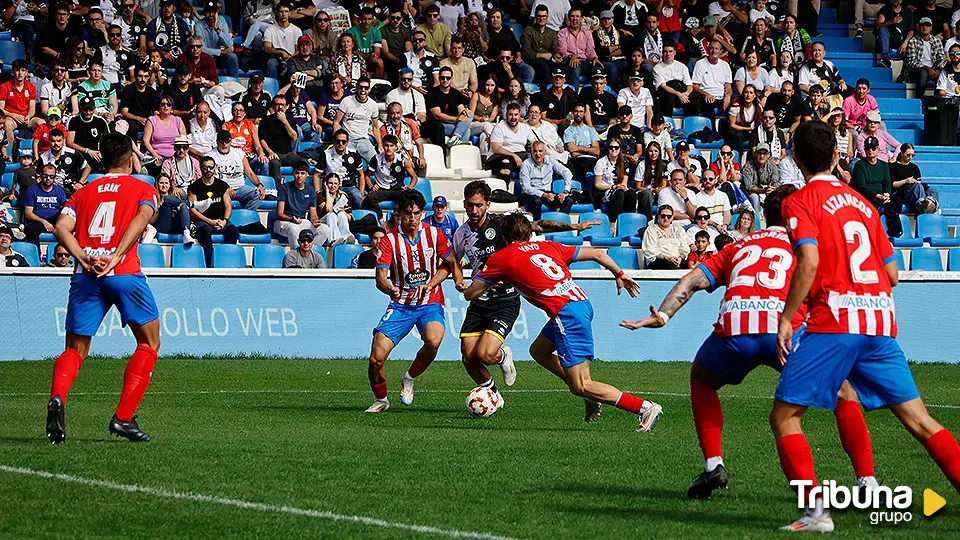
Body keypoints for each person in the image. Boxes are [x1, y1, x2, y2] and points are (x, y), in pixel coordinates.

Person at [622, 184, 882, 502]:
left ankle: (714, 463)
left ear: (764, 214)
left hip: (734, 330)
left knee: (702, 380)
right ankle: (866, 481)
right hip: (786, 332)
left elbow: (691, 279)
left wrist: (663, 316)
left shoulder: (739, 246)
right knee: (844, 392)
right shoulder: (806, 246)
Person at [768, 118, 960, 533]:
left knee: (785, 416)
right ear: (838, 155)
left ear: (795, 158)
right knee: (921, 421)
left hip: (835, 322)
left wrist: (786, 318)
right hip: (879, 322)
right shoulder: (865, 204)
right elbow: (892, 275)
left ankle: (816, 514)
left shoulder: (799, 201)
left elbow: (810, 260)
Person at [464, 212, 663, 430]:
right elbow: (597, 254)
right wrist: (619, 273)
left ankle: (644, 407)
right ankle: (590, 397)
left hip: (566, 314)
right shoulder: (550, 246)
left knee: (581, 384)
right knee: (538, 351)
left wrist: (489, 281)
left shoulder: (503, 257)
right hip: (581, 303)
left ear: (503, 236)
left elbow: (471, 294)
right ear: (530, 233)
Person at [46, 133, 162, 444]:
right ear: (130, 157)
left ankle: (58, 397)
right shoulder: (143, 188)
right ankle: (123, 418)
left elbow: (60, 228)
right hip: (124, 273)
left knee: (74, 349)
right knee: (149, 343)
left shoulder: (83, 193)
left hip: (86, 276)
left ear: (101, 157)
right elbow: (143, 217)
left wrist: (84, 256)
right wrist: (116, 255)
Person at [365, 189, 453, 413]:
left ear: (422, 213)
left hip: (429, 301)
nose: (412, 218)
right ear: (399, 215)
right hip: (400, 304)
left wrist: (432, 283)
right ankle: (382, 400)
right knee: (376, 359)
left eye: (416, 213)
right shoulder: (389, 241)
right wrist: (389, 289)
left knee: (433, 341)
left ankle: (409, 377)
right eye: (407, 214)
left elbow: (449, 264)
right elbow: (380, 277)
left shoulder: (435, 235)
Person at [187, 155, 240, 267]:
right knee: (205, 230)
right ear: (201, 168)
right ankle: (209, 264)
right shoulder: (194, 187)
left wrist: (225, 221)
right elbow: (193, 210)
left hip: (220, 221)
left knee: (233, 230)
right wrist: (209, 221)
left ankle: (226, 261)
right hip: (203, 222)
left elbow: (228, 206)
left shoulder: (222, 186)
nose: (208, 170)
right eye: (205, 167)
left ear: (215, 168)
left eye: (211, 167)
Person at [852, 136, 902, 237]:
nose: (870, 151)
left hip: (881, 194)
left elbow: (887, 183)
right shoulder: (859, 165)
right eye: (867, 148)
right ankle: (873, 229)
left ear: (878, 149)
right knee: (872, 201)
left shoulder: (884, 165)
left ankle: (894, 229)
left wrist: (887, 194)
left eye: (873, 148)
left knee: (897, 201)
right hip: (868, 195)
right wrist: (877, 195)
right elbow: (861, 186)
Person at [207, 129, 264, 211]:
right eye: (221, 142)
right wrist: (225, 188)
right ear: (217, 142)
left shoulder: (239, 153)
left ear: (231, 141)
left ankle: (246, 218)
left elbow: (249, 172)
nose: (224, 144)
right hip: (220, 190)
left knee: (257, 194)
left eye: (227, 142)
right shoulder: (210, 156)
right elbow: (209, 178)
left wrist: (259, 184)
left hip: (239, 188)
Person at [275, 162, 329, 248]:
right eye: (297, 173)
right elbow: (279, 213)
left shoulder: (310, 190)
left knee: (324, 229)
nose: (299, 176)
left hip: (301, 221)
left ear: (307, 175)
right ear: (293, 173)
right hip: (284, 222)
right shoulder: (284, 188)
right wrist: (291, 219)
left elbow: (313, 214)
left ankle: (308, 252)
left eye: (302, 173)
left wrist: (315, 221)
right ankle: (296, 256)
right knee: (293, 228)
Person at [363, 135, 419, 218]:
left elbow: (414, 177)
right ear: (383, 146)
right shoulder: (376, 159)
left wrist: (409, 187)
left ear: (396, 147)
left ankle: (401, 216)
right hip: (382, 189)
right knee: (369, 197)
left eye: (391, 146)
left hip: (398, 189)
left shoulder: (402, 159)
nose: (388, 148)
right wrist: (371, 186)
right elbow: (366, 175)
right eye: (386, 145)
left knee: (410, 197)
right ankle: (379, 216)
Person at [519, 140, 574, 220]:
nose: (538, 154)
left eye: (540, 151)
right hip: (532, 194)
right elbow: (526, 187)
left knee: (568, 200)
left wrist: (565, 191)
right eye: (535, 151)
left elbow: (567, 172)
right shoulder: (526, 164)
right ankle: (537, 226)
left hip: (548, 193)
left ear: (544, 152)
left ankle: (559, 223)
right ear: (531, 152)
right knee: (536, 202)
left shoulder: (550, 160)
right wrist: (543, 194)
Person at [0, 59, 42, 161]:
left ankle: (39, 155)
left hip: (26, 118)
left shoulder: (31, 87)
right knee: (8, 124)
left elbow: (32, 108)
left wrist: (29, 116)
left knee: (41, 122)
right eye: (17, 70)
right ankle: (11, 155)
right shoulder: (4, 87)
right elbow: (1, 109)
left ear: (26, 72)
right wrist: (13, 115)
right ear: (12, 72)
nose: (20, 73)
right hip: (11, 118)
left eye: (23, 70)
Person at [260, 95, 307, 183]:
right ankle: (279, 190)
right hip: (274, 154)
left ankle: (298, 186)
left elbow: (294, 137)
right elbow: (262, 139)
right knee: (274, 164)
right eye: (277, 104)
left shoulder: (290, 119)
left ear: (286, 106)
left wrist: (284, 121)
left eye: (282, 105)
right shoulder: (266, 120)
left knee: (303, 161)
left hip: (288, 154)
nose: (280, 107)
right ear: (273, 106)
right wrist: (270, 152)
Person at [334, 77, 381, 162]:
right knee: (345, 163)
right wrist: (337, 141)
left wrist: (380, 145)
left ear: (369, 89)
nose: (363, 90)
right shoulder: (347, 101)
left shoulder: (373, 105)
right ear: (356, 87)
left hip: (363, 139)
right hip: (348, 139)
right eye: (360, 87)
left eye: (366, 88)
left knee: (376, 163)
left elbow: (375, 128)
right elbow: (336, 122)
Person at [154, 171, 208, 244]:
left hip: (177, 226)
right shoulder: (154, 197)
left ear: (170, 185)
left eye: (166, 183)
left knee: (183, 205)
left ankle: (186, 233)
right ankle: (193, 204)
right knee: (166, 199)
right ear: (157, 184)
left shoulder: (176, 197)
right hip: (163, 226)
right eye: (161, 183)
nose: (164, 185)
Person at [22, 164, 68, 250]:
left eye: (51, 176)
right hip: (39, 220)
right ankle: (37, 256)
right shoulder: (32, 190)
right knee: (30, 229)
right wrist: (44, 222)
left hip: (55, 219)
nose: (48, 179)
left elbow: (65, 211)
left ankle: (64, 254)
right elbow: (28, 213)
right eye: (45, 176)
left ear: (55, 177)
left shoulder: (60, 191)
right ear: (41, 175)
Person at [318, 129, 366, 211]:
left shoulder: (354, 153)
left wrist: (361, 192)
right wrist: (317, 192)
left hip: (349, 186)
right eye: (338, 141)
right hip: (332, 187)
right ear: (334, 141)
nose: (340, 144)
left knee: (357, 196)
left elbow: (361, 174)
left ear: (347, 142)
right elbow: (316, 175)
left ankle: (356, 219)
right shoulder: (326, 154)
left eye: (343, 141)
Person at [425, 66, 472, 147]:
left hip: (453, 123)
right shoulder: (432, 93)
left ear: (452, 78)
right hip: (439, 124)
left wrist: (465, 112)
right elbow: (437, 115)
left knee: (470, 115)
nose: (445, 80)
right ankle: (458, 146)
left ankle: (455, 138)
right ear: (439, 78)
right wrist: (456, 119)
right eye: (442, 78)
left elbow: (461, 109)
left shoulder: (456, 93)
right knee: (466, 131)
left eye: (448, 78)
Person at [488, 103, 535, 180]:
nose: (513, 117)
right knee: (505, 167)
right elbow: (496, 148)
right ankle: (503, 190)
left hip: (522, 155)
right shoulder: (500, 127)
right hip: (502, 156)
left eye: (516, 114)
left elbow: (534, 143)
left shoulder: (525, 127)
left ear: (519, 115)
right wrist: (514, 155)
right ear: (506, 115)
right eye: (511, 114)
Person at [890, 143, 939, 214]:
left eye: (912, 155)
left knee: (933, 190)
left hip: (916, 190)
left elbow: (918, 180)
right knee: (918, 187)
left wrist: (916, 181)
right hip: (903, 192)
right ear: (902, 153)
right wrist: (906, 181)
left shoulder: (914, 167)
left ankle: (929, 204)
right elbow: (892, 184)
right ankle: (925, 205)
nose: (910, 157)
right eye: (908, 155)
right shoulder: (893, 167)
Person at [194, 0, 238, 78]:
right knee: (204, 58)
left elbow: (229, 45)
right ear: (204, 13)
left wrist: (217, 29)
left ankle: (234, 83)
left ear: (217, 13)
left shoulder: (222, 22)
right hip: (205, 57)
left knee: (232, 57)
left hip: (219, 58)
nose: (211, 15)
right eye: (208, 12)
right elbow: (201, 49)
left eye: (213, 12)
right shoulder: (198, 25)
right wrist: (221, 52)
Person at [557, 8, 599, 89]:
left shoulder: (587, 32)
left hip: (584, 62)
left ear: (581, 19)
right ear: (569, 18)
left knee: (599, 70)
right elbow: (562, 50)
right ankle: (573, 98)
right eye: (572, 16)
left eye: (577, 16)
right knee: (576, 69)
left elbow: (590, 50)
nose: (575, 19)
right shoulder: (562, 32)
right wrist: (571, 56)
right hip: (569, 62)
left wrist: (594, 58)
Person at [39, 129, 90, 196]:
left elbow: (87, 168)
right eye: (53, 141)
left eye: (59, 141)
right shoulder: (43, 158)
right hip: (55, 192)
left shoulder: (73, 153)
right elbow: (39, 178)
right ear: (48, 140)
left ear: (63, 140)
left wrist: (80, 182)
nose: (56, 144)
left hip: (75, 189)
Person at [904, 18, 946, 99]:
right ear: (919, 28)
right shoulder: (913, 41)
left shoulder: (936, 41)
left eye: (927, 25)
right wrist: (928, 69)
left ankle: (939, 100)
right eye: (922, 25)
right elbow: (911, 61)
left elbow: (942, 59)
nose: (925, 27)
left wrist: (938, 69)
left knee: (944, 73)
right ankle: (919, 99)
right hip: (917, 70)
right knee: (923, 73)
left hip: (933, 70)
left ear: (931, 28)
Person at [143, 95, 187, 171]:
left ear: (172, 109)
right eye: (163, 104)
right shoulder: (152, 120)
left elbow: (184, 140)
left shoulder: (178, 121)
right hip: (157, 154)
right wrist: (155, 155)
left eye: (168, 104)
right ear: (159, 107)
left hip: (175, 155)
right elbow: (145, 141)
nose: (165, 106)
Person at [521, 5, 560, 90]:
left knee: (562, 67)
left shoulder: (552, 33)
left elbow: (554, 51)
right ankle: (545, 93)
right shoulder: (528, 31)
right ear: (535, 16)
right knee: (544, 67)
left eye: (544, 16)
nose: (541, 19)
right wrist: (542, 55)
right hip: (532, 61)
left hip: (548, 61)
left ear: (547, 17)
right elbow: (525, 52)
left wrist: (556, 56)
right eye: (539, 16)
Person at [654, 41, 696, 116]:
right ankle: (667, 124)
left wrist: (686, 94)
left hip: (682, 90)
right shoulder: (657, 68)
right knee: (669, 99)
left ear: (675, 53)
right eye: (665, 52)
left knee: (694, 101)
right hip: (667, 93)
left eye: (670, 51)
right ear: (662, 53)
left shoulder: (682, 66)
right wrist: (679, 95)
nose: (668, 54)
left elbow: (689, 85)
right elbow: (663, 86)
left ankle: (693, 125)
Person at [692, 39, 733, 116]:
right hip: (706, 96)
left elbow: (728, 86)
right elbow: (695, 85)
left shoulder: (725, 65)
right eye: (711, 48)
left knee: (734, 109)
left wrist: (728, 96)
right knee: (709, 107)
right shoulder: (700, 64)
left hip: (721, 96)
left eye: (716, 48)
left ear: (721, 51)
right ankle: (712, 128)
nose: (714, 51)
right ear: (708, 50)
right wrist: (705, 94)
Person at [263, 2, 303, 80]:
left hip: (293, 57)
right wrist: (281, 52)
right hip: (277, 58)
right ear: (277, 13)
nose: (283, 14)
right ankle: (275, 87)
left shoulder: (296, 30)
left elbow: (299, 50)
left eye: (286, 11)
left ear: (290, 13)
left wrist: (291, 57)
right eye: (281, 12)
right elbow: (267, 48)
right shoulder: (270, 29)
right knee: (271, 63)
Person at [741, 142, 780, 221]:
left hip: (767, 191)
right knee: (754, 197)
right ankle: (757, 220)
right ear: (755, 154)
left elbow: (776, 182)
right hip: (753, 192)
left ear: (768, 155)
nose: (762, 156)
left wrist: (772, 189)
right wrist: (763, 190)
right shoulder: (748, 166)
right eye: (759, 153)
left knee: (777, 195)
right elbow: (749, 187)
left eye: (764, 153)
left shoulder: (772, 166)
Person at [119, 66, 159, 139]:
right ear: (135, 76)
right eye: (140, 76)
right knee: (132, 127)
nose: (143, 79)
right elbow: (124, 112)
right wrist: (138, 118)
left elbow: (155, 110)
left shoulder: (152, 92)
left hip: (147, 119)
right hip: (132, 119)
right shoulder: (128, 90)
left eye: (146, 76)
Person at [563, 103, 601, 179]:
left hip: (593, 160)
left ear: (584, 114)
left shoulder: (590, 130)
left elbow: (597, 151)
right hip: (579, 160)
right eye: (576, 111)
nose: (579, 114)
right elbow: (573, 152)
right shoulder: (568, 131)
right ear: (573, 113)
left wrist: (579, 148)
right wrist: (589, 149)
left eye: (581, 112)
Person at [317, 172, 356, 245]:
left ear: (339, 185)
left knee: (341, 214)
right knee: (331, 215)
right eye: (330, 183)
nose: (333, 186)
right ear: (325, 184)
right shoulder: (320, 194)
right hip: (323, 222)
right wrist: (327, 192)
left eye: (335, 184)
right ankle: (334, 239)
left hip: (338, 220)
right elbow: (328, 210)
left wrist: (343, 212)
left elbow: (350, 217)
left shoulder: (343, 195)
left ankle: (346, 237)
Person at [348, 7, 386, 79]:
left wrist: (374, 55)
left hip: (369, 59)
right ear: (360, 19)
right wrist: (367, 55)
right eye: (364, 19)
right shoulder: (351, 32)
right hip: (356, 59)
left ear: (373, 20)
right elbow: (353, 52)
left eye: (369, 19)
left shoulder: (376, 32)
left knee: (380, 62)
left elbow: (377, 52)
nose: (367, 22)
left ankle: (377, 85)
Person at [875, 0, 913, 67]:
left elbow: (911, 30)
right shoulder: (885, 9)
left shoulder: (908, 12)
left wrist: (905, 42)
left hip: (902, 47)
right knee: (882, 29)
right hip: (887, 47)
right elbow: (878, 26)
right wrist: (892, 21)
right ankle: (885, 59)